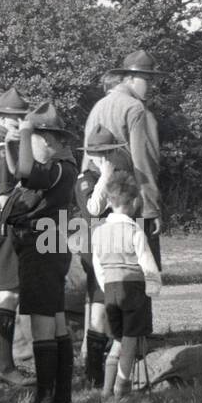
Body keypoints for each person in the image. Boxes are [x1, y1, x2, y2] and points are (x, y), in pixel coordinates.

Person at [2, 101, 80, 403]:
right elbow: (19, 172)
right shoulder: (57, 169)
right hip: (46, 245)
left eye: (33, 137)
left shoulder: (59, 168)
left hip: (40, 248)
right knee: (57, 322)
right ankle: (60, 400)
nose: (28, 143)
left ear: (47, 140)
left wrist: (23, 133)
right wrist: (13, 143)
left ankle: (44, 401)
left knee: (42, 327)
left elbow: (24, 172)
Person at [82, 50, 165, 268]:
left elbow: (86, 158)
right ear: (129, 78)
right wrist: (151, 208)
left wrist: (87, 198)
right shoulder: (135, 108)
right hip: (128, 199)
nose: (152, 85)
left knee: (106, 272)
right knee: (140, 272)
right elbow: (144, 161)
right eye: (147, 79)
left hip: (99, 196)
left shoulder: (98, 106)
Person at [0, 87, 35, 387]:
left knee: (7, 291)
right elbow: (4, 196)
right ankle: (4, 365)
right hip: (4, 219)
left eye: (22, 118)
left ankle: (5, 362)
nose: (20, 123)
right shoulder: (1, 146)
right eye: (15, 119)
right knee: (7, 293)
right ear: (2, 117)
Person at [91, 171, 162, 400]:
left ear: (109, 203)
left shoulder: (98, 232)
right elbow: (147, 263)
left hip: (110, 289)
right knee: (130, 342)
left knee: (118, 340)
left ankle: (105, 390)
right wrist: (153, 287)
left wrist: (106, 287)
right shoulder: (134, 230)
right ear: (134, 203)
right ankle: (122, 388)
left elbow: (98, 266)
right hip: (133, 291)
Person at [78, 124, 133, 388]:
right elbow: (93, 208)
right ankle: (93, 375)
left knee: (119, 304)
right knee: (99, 308)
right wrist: (105, 176)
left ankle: (117, 370)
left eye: (109, 152)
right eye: (100, 153)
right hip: (96, 247)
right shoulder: (85, 179)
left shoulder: (120, 175)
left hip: (119, 243)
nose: (105, 158)